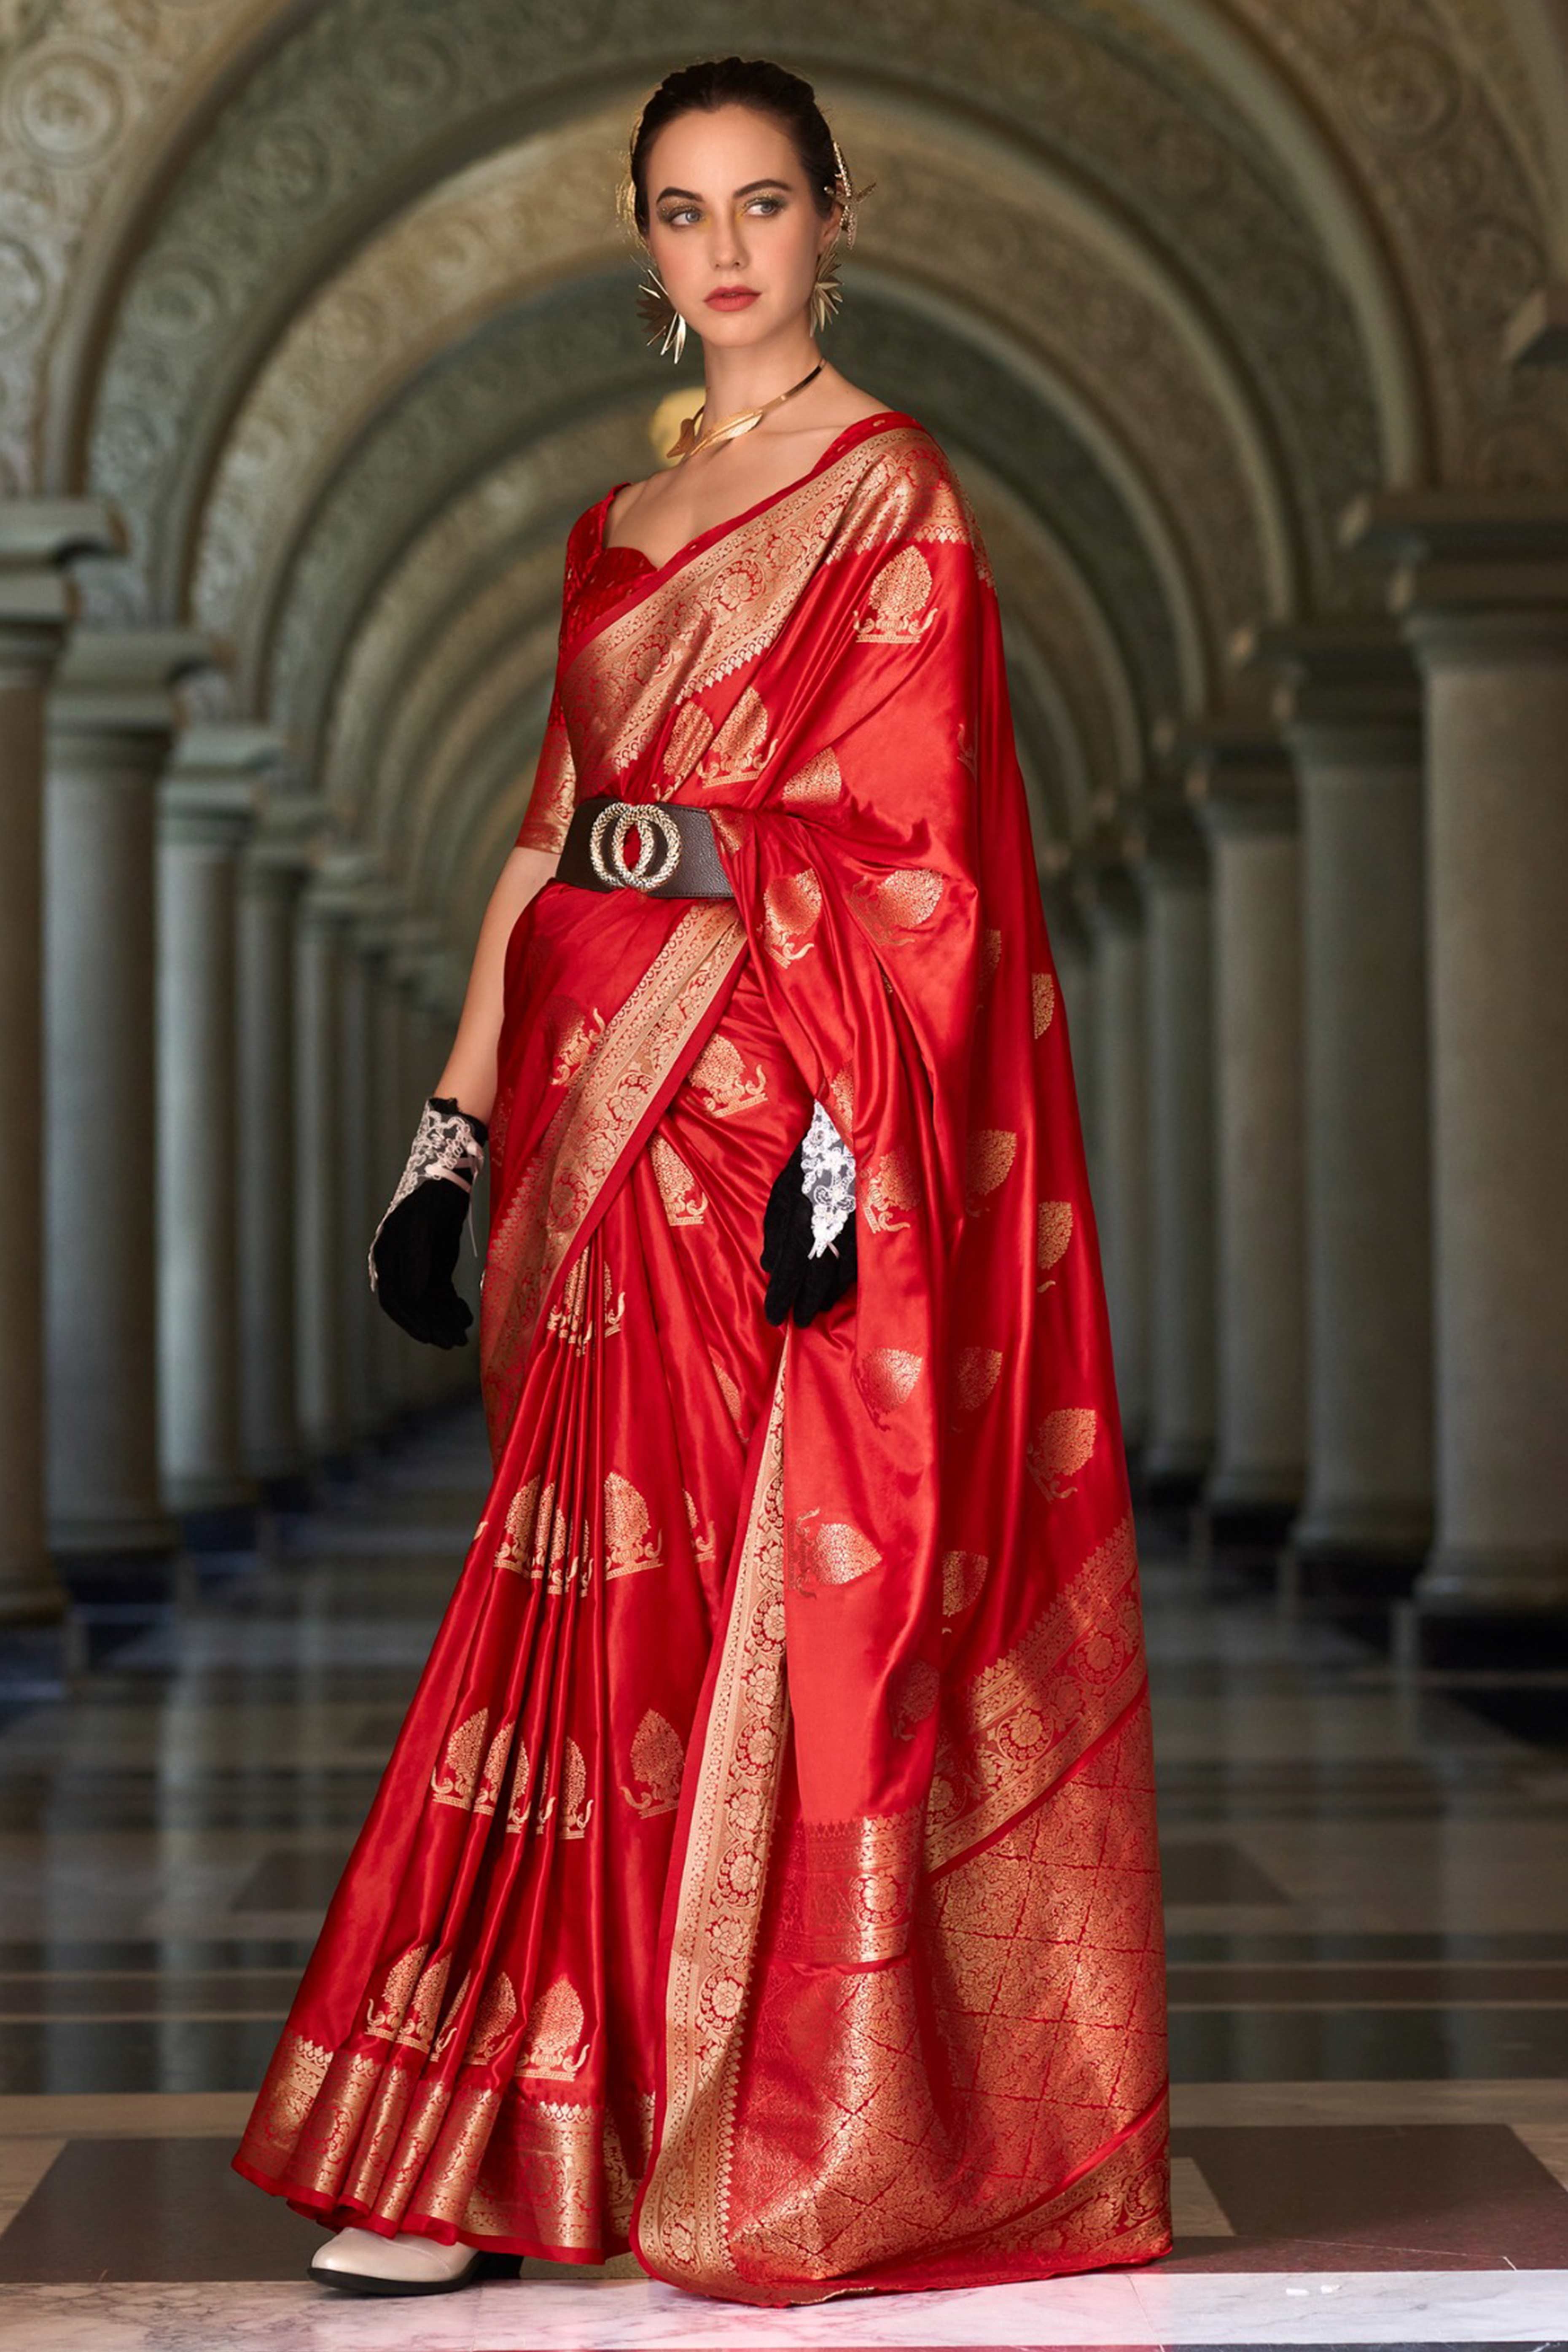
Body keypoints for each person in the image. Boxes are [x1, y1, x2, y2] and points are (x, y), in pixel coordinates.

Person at [232, 53, 1171, 2307]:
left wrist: (841, 1147)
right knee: (564, 1606)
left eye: (763, 203)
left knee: (736, 1620)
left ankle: (722, 2129)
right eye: (681, 210)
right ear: (640, 246)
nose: (726, 246)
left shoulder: (890, 500)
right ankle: (494, 2138)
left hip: (769, 1111)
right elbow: (546, 835)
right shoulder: (613, 532)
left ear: (837, 222)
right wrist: (451, 1135)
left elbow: (913, 866)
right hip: (584, 1110)